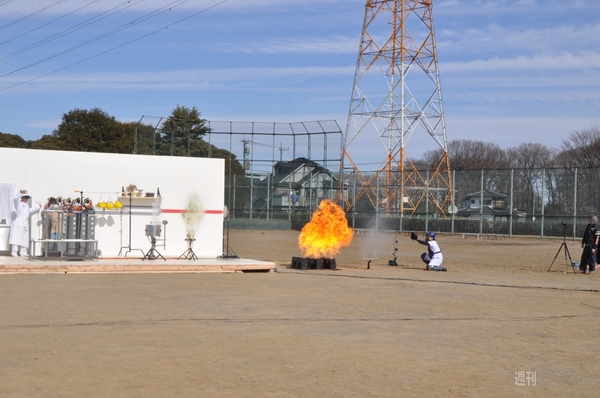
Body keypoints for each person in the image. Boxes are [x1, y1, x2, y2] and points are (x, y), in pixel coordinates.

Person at [9, 190, 41, 258]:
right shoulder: (18, 203)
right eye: (25, 197)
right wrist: (21, 193)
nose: (26, 199)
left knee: (24, 237)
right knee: (16, 237)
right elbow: (15, 198)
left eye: (27, 198)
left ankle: (23, 252)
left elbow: (30, 210)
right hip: (19, 221)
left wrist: (37, 206)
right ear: (22, 198)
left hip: (25, 222)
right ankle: (14, 252)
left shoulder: (27, 206)